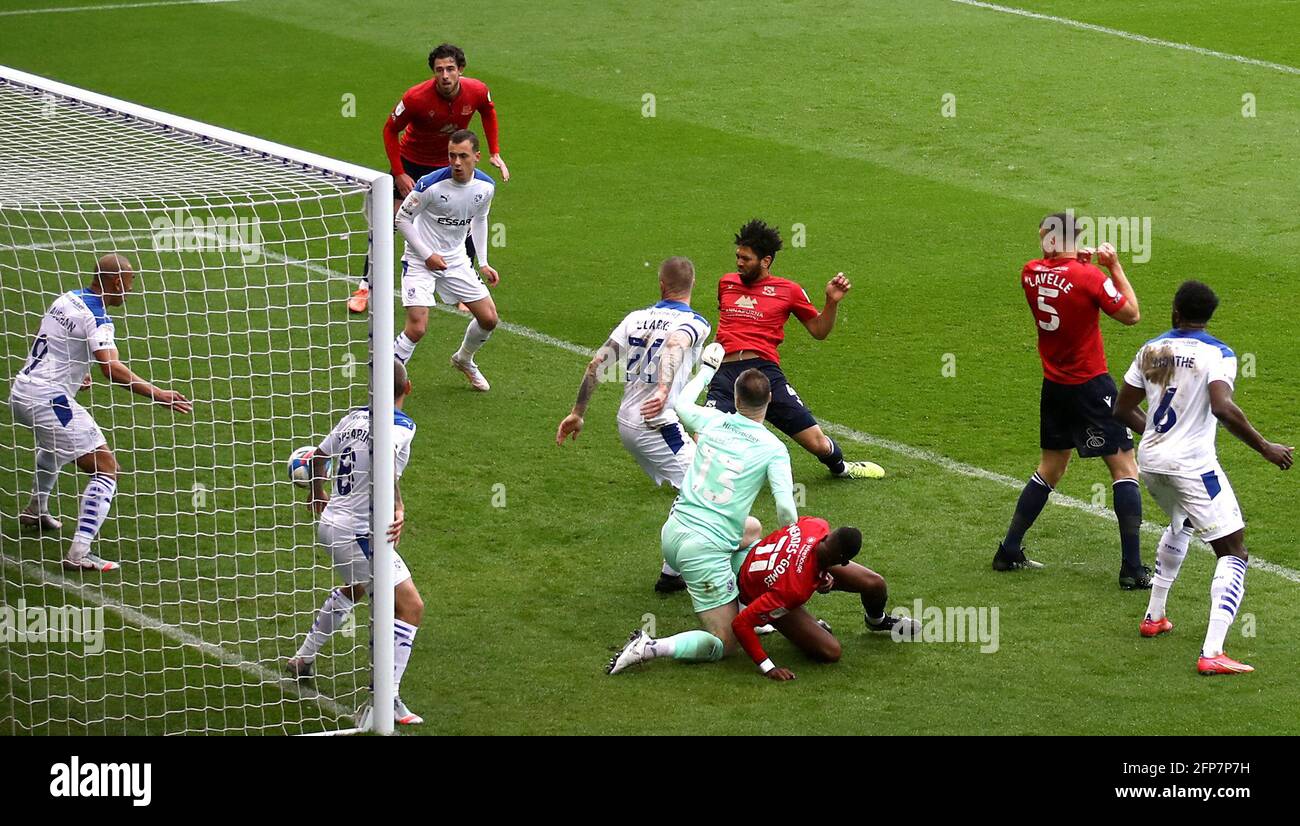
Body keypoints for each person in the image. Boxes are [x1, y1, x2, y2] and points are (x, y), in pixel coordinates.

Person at [1113, 280, 1292, 675]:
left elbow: (1122, 408)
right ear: (1207, 317)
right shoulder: (1218, 353)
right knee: (1234, 550)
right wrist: (1266, 448)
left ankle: (1154, 616)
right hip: (1192, 465)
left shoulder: (1151, 350)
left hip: (1152, 460)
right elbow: (1222, 407)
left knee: (1182, 522)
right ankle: (1212, 652)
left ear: (1175, 312)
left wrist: (1161, 438)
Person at [606, 343, 799, 674]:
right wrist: (794, 539)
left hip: (674, 532)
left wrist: (708, 369)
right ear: (769, 401)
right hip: (703, 551)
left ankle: (744, 603)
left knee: (751, 528)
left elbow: (680, 403)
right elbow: (785, 509)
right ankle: (650, 647)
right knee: (725, 643)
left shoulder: (712, 420)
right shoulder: (774, 449)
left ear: (735, 399)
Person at [8, 254, 192, 571]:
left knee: (54, 447)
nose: (131, 290)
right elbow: (111, 368)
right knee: (106, 467)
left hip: (22, 389)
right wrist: (158, 393)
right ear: (118, 281)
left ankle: (36, 509)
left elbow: (54, 343)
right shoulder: (98, 316)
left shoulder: (66, 299)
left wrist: (75, 374)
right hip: (48, 399)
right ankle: (79, 553)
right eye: (131, 282)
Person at [994, 212, 1148, 589]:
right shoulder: (1089, 277)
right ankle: (1132, 568)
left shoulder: (1029, 272)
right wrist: (1114, 267)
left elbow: (1057, 267)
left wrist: (1076, 257)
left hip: (1055, 386)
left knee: (1050, 468)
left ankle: (1009, 548)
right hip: (1091, 386)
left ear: (1047, 237)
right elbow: (1131, 315)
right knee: (1126, 470)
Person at [555, 256, 711, 592]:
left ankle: (673, 572)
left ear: (660, 283)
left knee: (692, 482)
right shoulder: (696, 323)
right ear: (693, 285)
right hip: (655, 424)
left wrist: (577, 412)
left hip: (627, 420)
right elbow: (674, 344)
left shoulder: (636, 318)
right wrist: (666, 387)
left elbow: (597, 363)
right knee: (701, 490)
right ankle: (681, 570)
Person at [286, 361, 426, 723]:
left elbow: (316, 456)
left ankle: (303, 658)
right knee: (409, 606)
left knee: (357, 589)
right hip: (360, 532)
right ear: (407, 387)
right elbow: (385, 462)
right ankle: (387, 697)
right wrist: (398, 504)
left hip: (332, 523)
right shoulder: (402, 426)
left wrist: (317, 491)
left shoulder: (352, 418)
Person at [707, 219, 882, 480]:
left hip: (764, 374)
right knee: (704, 438)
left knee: (817, 443)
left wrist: (831, 302)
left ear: (765, 261)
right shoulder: (726, 283)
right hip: (725, 373)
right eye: (737, 257)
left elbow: (819, 331)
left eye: (746, 258)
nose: (739, 263)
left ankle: (843, 468)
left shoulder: (789, 291)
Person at [349, 42, 508, 313]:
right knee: (390, 225)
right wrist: (399, 173)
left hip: (449, 165)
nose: (445, 75)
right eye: (439, 70)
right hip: (413, 165)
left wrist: (494, 151)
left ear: (461, 70)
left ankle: (466, 287)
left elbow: (488, 111)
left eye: (450, 69)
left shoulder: (477, 90)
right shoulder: (415, 98)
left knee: (464, 221)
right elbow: (390, 130)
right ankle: (365, 287)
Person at [732, 516, 919, 680]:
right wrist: (768, 668)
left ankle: (877, 621)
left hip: (775, 564)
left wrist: (821, 574)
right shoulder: (793, 590)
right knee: (831, 651)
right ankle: (806, 628)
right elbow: (741, 624)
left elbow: (798, 546)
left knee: (874, 584)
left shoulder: (817, 525)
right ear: (843, 562)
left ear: (829, 534)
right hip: (758, 586)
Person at [392, 129, 500, 391]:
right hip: (421, 260)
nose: (456, 163)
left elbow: (480, 219)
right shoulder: (429, 185)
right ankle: (386, 379)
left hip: (456, 260)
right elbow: (402, 219)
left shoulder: (485, 187)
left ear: (477, 157)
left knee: (489, 318)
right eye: (451, 156)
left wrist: (483, 262)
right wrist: (427, 255)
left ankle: (463, 359)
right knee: (417, 328)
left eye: (463, 156)